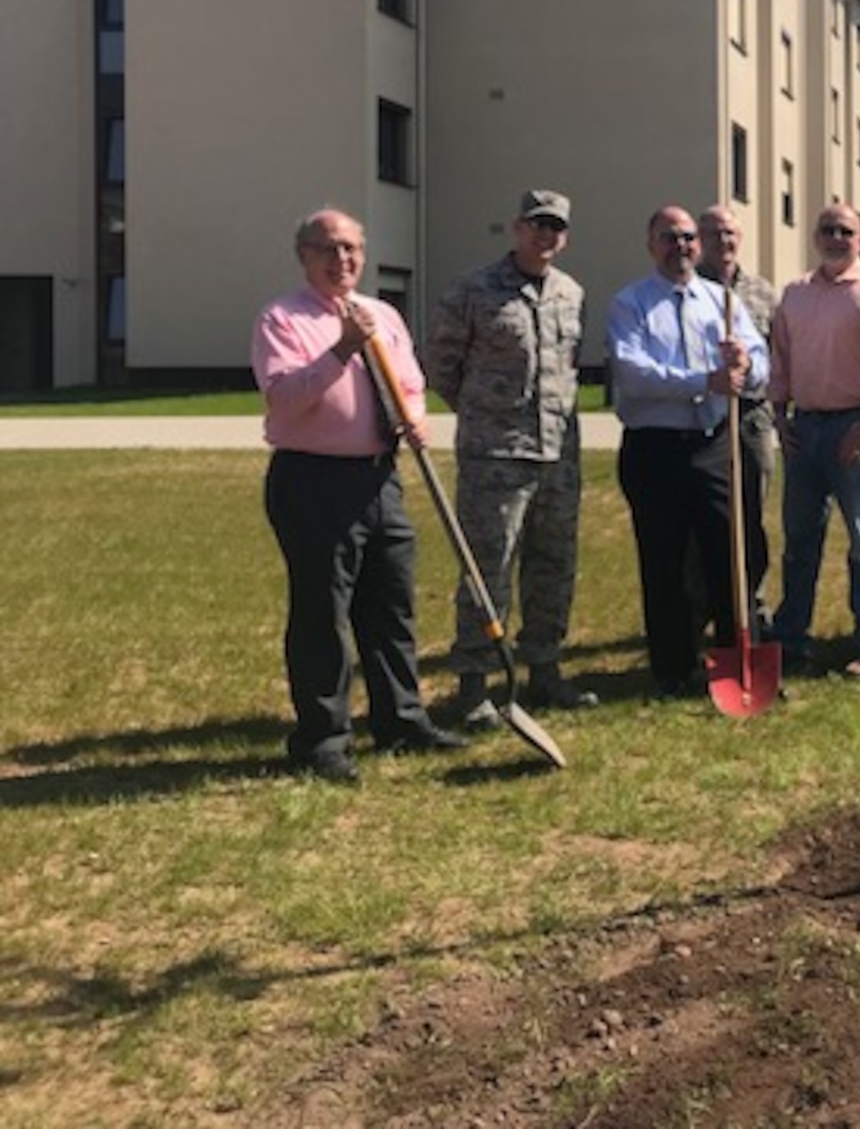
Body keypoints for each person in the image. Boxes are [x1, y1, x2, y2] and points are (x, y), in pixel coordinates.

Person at [251, 208, 466, 782]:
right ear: (304, 255)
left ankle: (401, 721)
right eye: (327, 249)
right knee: (324, 613)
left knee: (391, 605)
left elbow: (411, 382)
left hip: (379, 478)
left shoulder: (382, 315)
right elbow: (285, 398)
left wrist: (415, 418)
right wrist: (341, 349)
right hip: (313, 481)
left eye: (350, 249)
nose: (340, 260)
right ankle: (322, 740)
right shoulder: (282, 319)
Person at [426, 189, 593, 727]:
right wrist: (483, 415)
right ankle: (474, 686)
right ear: (516, 228)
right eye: (537, 225)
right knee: (487, 569)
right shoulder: (476, 289)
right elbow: (443, 364)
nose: (546, 235)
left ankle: (544, 670)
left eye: (556, 228)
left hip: (557, 455)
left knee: (553, 566)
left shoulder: (571, 293)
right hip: (495, 455)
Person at [606, 205, 766, 697]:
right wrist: (705, 381)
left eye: (688, 238)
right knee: (664, 560)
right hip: (655, 449)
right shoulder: (630, 303)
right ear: (651, 244)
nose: (681, 247)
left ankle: (736, 665)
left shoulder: (721, 302)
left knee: (731, 555)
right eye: (669, 237)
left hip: (715, 445)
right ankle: (672, 667)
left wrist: (745, 367)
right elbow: (633, 372)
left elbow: (762, 365)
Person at [768, 205, 860, 678]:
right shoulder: (794, 294)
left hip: (859, 427)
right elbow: (780, 360)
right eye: (828, 230)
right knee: (799, 541)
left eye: (846, 231)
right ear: (816, 237)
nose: (836, 237)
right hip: (804, 428)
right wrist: (778, 415)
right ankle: (791, 639)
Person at [681, 203, 780, 642]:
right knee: (698, 520)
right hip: (704, 419)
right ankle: (697, 607)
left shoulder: (761, 294)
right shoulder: (688, 289)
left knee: (749, 515)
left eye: (731, 233)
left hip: (752, 418)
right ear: (700, 239)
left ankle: (750, 604)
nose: (724, 241)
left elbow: (776, 360)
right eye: (714, 233)